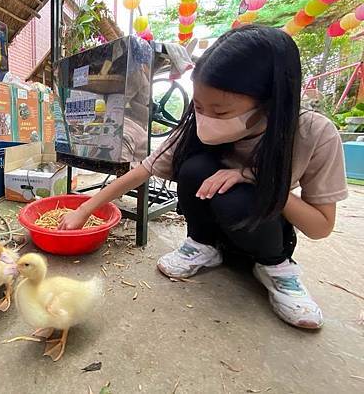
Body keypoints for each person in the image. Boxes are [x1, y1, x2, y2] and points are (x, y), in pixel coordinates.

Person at [59, 25, 348, 330]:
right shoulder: (194, 129)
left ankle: (277, 269)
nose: (206, 118)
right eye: (198, 106)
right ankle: (203, 245)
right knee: (194, 168)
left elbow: (320, 226)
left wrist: (254, 178)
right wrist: (83, 210)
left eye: (220, 112)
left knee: (238, 195)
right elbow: (141, 171)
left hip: (263, 233)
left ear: (269, 102)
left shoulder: (312, 134)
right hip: (217, 227)